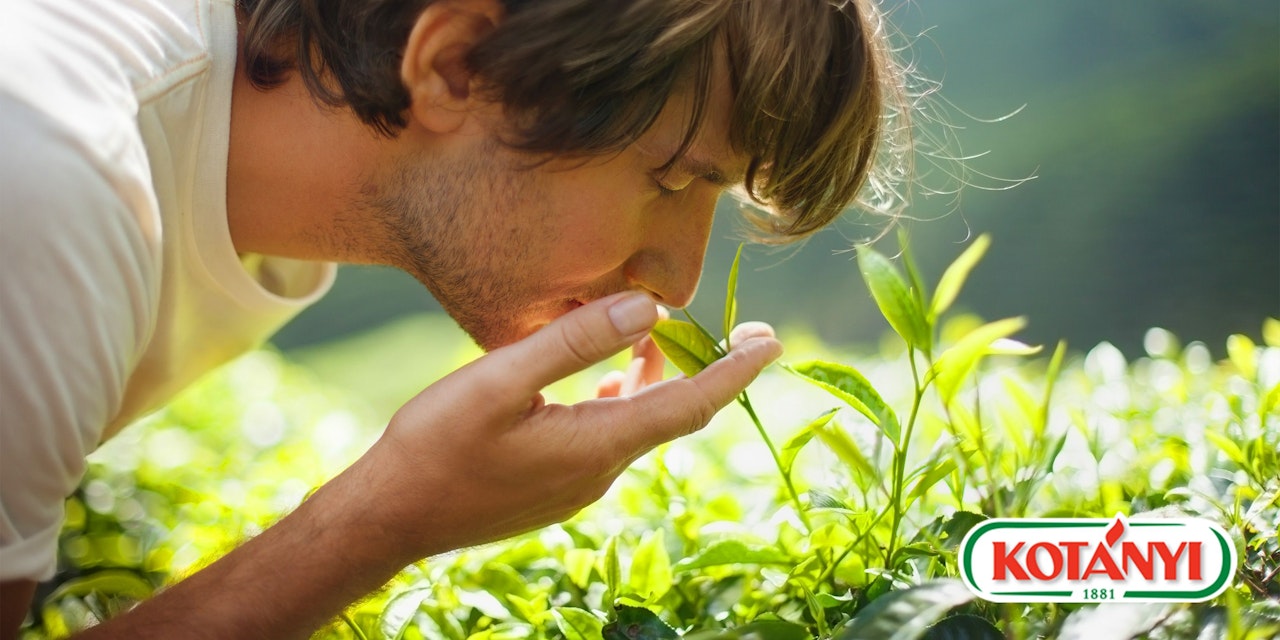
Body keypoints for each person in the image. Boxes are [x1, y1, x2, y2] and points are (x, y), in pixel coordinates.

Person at [0, 0, 901, 636]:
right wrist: (383, 519)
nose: (676, 279)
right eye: (668, 177)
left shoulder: (270, 203)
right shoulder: (54, 170)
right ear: (456, 64)